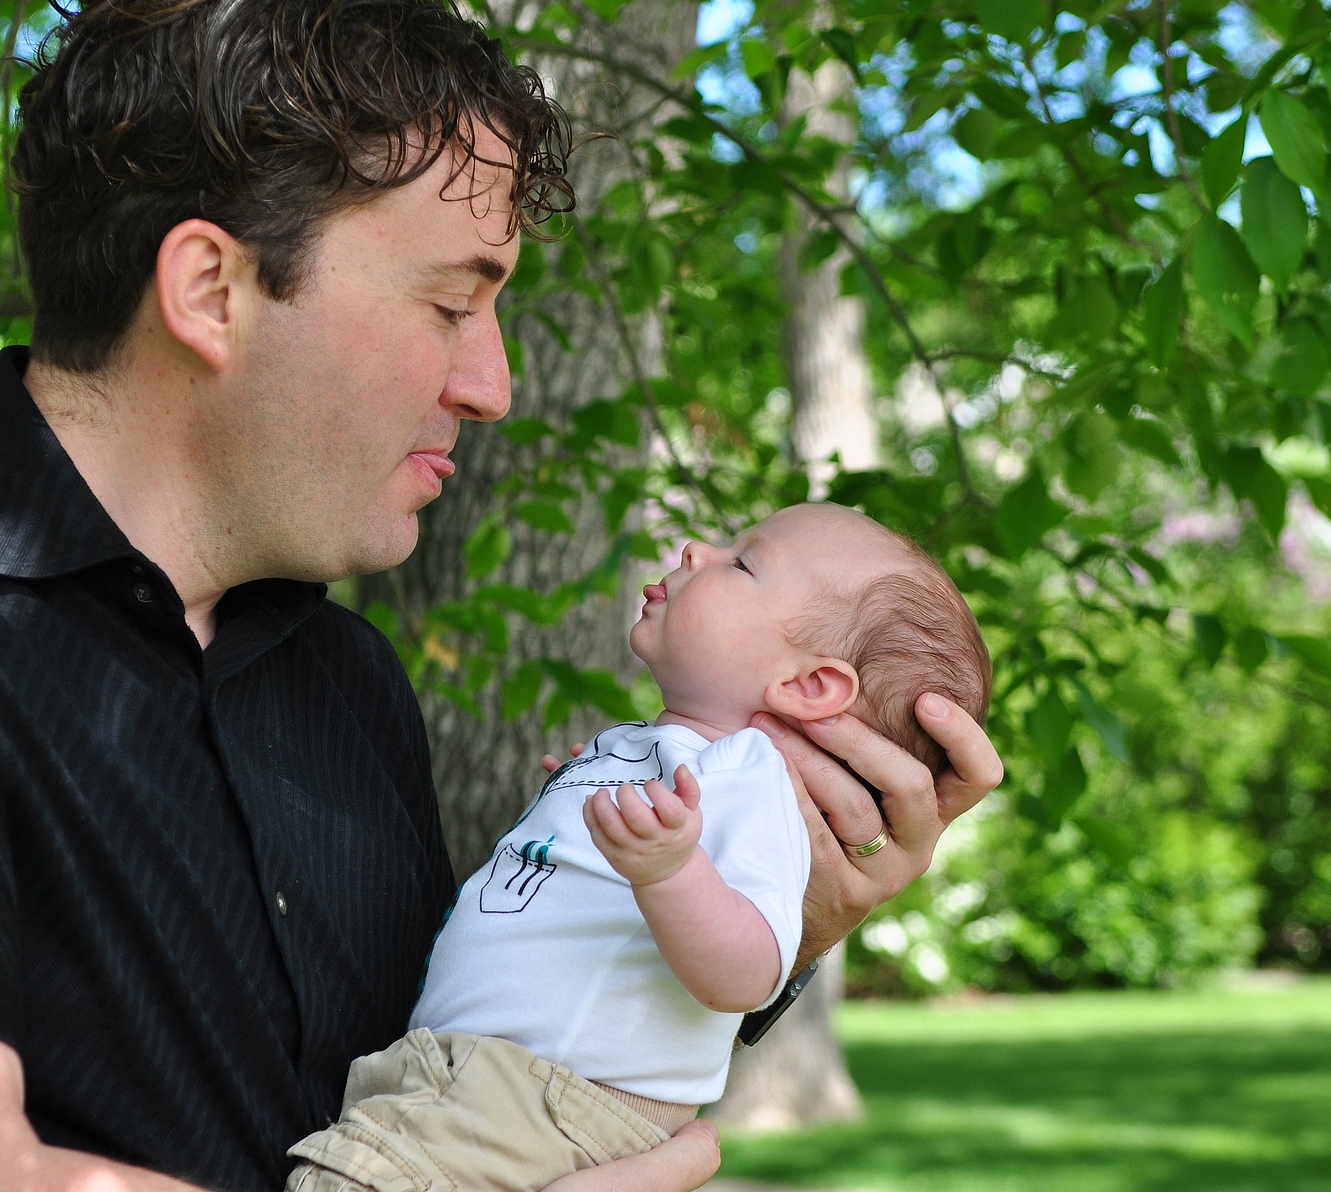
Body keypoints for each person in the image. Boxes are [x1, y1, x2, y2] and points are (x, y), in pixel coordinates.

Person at [0, 0, 1004, 1192]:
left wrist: (781, 920)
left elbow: (459, 1091)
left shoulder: (343, 683)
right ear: (212, 288)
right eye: (454, 300)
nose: (494, 383)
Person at [287, 504, 991, 1191]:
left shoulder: (753, 779)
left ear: (809, 685)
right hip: (482, 1083)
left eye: (742, 561)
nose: (693, 549)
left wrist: (671, 866)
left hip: (544, 1100)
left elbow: (749, 972)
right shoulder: (645, 749)